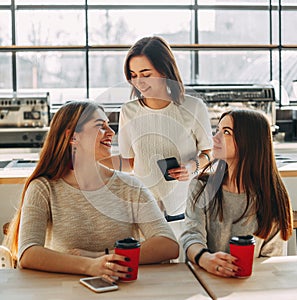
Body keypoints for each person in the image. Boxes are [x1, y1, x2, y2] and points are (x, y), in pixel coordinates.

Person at [3, 101, 179, 282]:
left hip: (120, 289)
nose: (111, 132)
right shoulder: (43, 188)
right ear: (72, 137)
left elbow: (168, 244)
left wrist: (100, 256)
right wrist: (89, 266)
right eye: (100, 126)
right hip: (63, 292)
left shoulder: (130, 187)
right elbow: (28, 254)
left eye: (108, 125)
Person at [107, 36, 213, 220]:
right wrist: (88, 159)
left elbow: (209, 152)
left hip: (184, 209)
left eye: (146, 74)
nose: (139, 82)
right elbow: (129, 163)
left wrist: (192, 167)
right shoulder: (128, 111)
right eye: (133, 75)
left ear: (164, 70)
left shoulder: (193, 107)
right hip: (143, 211)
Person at [180, 109, 293, 278]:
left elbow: (271, 260)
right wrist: (205, 259)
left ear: (249, 142)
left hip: (253, 282)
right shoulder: (201, 186)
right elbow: (191, 235)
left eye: (226, 132)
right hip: (205, 278)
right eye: (217, 130)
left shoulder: (273, 197)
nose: (215, 138)